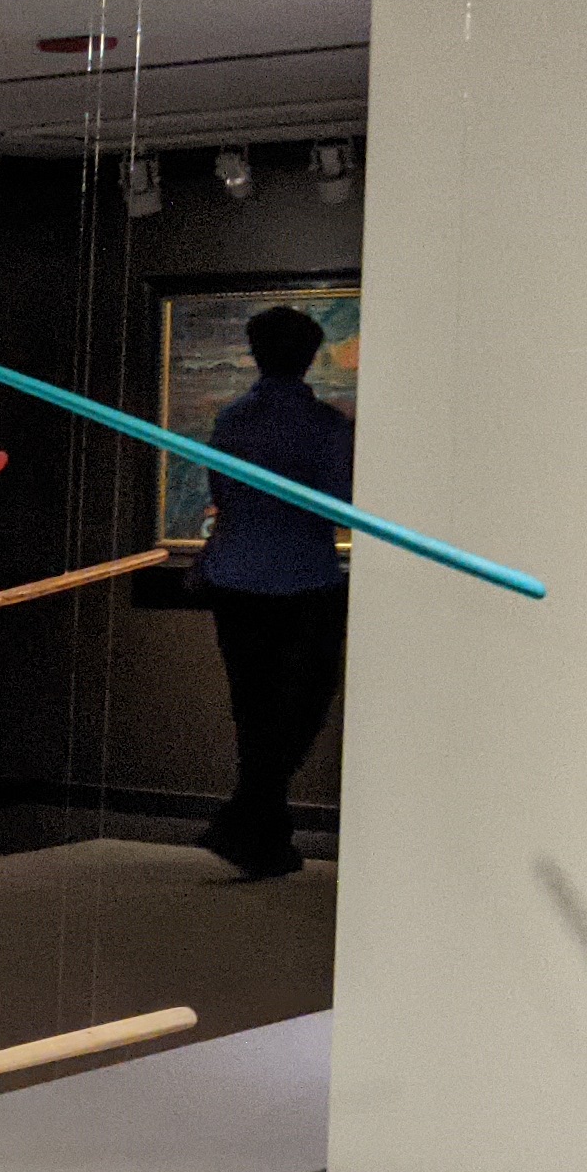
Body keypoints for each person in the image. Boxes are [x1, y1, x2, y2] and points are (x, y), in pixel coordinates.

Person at [195, 305, 356, 878]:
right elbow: (343, 500)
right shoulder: (327, 427)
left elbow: (222, 493)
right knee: (301, 706)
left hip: (236, 578)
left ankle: (260, 831)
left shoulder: (232, 421)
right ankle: (251, 823)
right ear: (310, 357)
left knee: (255, 708)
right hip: (305, 580)